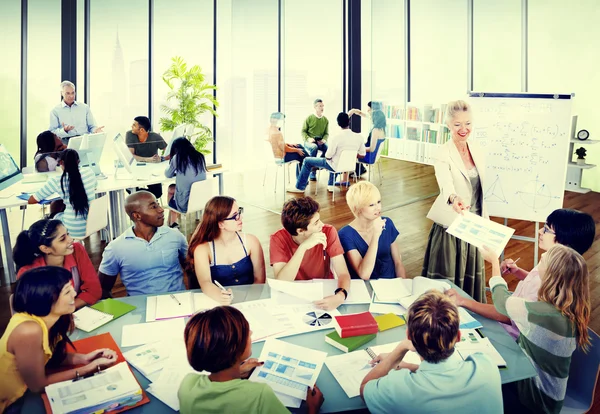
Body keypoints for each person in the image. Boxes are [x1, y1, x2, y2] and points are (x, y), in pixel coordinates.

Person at [446, 208, 595, 339]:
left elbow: (503, 311)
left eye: (546, 229)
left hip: (513, 337)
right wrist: (518, 272)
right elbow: (536, 279)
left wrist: (464, 301)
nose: (539, 231)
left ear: (564, 241)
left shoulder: (549, 267)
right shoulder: (558, 266)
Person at [483, 244, 590, 413]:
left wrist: (494, 262)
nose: (539, 261)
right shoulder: (567, 307)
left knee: (482, 388)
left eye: (541, 260)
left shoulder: (542, 313)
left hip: (534, 400)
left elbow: (501, 301)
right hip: (547, 394)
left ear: (550, 274)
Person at [360, 290, 502, 414]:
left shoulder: (399, 389)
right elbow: (443, 378)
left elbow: (364, 388)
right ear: (458, 336)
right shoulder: (486, 366)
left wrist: (400, 349)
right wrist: (411, 366)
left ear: (409, 336)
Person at [0, 267, 117, 413]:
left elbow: (50, 358)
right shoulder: (29, 330)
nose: (75, 294)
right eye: (67, 292)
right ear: (47, 299)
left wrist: (84, 358)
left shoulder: (52, 319)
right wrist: (88, 369)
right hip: (10, 403)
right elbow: (37, 385)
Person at [178, 306, 324, 414]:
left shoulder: (187, 385)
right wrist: (313, 408)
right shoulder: (259, 395)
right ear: (236, 349)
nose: (251, 333)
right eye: (246, 332)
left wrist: (238, 371)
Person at [421, 100, 488, 302]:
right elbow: (445, 183)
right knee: (449, 280)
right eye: (457, 124)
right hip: (453, 222)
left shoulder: (476, 148)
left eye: (467, 123)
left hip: (474, 223)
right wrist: (454, 198)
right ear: (448, 124)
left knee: (470, 277)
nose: (463, 129)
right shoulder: (443, 152)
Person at [98, 190, 187, 297]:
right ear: (137, 216)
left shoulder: (175, 236)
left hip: (178, 302)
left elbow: (191, 269)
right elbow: (103, 289)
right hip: (140, 308)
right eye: (153, 207)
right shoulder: (115, 248)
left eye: (158, 204)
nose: (161, 210)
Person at [269, 197, 351, 310]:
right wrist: (303, 248)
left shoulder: (328, 231)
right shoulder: (278, 239)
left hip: (324, 290)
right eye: (316, 222)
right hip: (295, 294)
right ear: (300, 231)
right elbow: (282, 283)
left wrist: (340, 296)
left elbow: (343, 273)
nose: (322, 225)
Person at [186, 196, 266, 304]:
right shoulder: (202, 250)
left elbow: (259, 280)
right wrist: (220, 296)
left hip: (251, 301)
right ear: (220, 224)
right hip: (220, 304)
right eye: (235, 216)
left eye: (239, 212)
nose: (240, 217)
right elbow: (205, 282)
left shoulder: (251, 241)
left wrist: (247, 302)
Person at [13, 219, 101, 309]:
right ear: (45, 248)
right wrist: (62, 310)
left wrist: (67, 308)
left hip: (76, 311)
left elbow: (94, 290)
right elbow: (35, 309)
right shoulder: (29, 272)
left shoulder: (77, 250)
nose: (70, 239)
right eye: (62, 239)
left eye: (68, 234)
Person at [339, 182, 406, 279]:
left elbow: (398, 263)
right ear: (357, 208)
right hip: (365, 289)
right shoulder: (345, 235)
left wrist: (403, 285)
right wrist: (376, 235)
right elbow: (364, 274)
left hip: (392, 284)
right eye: (371, 205)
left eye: (379, 202)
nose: (378, 208)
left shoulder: (387, 223)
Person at [287, 112, 366, 193]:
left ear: (338, 123)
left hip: (335, 166)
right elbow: (362, 155)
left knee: (307, 160)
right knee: (335, 159)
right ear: (349, 121)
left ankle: (300, 187)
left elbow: (328, 156)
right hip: (350, 166)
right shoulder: (359, 137)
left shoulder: (336, 137)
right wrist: (349, 156)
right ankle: (330, 184)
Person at [28, 149, 97, 238]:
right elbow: (94, 186)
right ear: (78, 161)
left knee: (54, 215)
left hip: (70, 229)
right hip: (93, 224)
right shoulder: (89, 172)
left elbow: (32, 200)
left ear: (61, 162)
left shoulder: (57, 180)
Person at [165, 137, 207, 227]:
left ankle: (172, 223)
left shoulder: (177, 158)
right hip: (201, 198)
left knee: (170, 189)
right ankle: (173, 222)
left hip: (185, 203)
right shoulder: (200, 156)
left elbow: (168, 174)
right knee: (173, 188)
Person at [126, 116, 167, 199]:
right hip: (136, 169)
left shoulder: (155, 137)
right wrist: (148, 160)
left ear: (141, 130)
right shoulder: (130, 135)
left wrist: (162, 158)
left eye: (134, 125)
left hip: (152, 170)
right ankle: (143, 203)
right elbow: (130, 156)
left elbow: (169, 151)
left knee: (158, 193)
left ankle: (145, 202)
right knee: (131, 190)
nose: (131, 127)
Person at [348, 101, 384, 177]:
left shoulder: (375, 130)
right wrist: (353, 111)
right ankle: (360, 169)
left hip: (370, 156)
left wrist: (360, 149)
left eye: (369, 110)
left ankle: (357, 170)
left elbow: (371, 149)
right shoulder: (381, 128)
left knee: (351, 150)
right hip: (374, 155)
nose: (368, 111)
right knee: (354, 145)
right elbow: (362, 114)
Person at [266, 112, 308, 177]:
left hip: (275, 155)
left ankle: (310, 161)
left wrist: (289, 144)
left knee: (298, 145)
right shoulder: (277, 132)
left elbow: (276, 144)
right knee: (301, 154)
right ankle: (309, 165)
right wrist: (297, 150)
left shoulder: (268, 130)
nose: (283, 122)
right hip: (281, 157)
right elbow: (284, 148)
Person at [301, 99, 329, 181]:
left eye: (322, 106)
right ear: (315, 107)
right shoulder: (309, 118)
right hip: (309, 142)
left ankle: (318, 165)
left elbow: (326, 133)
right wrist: (308, 139)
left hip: (320, 142)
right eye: (320, 106)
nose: (322, 107)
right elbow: (303, 131)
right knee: (314, 147)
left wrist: (323, 140)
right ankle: (312, 172)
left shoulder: (325, 120)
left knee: (327, 148)